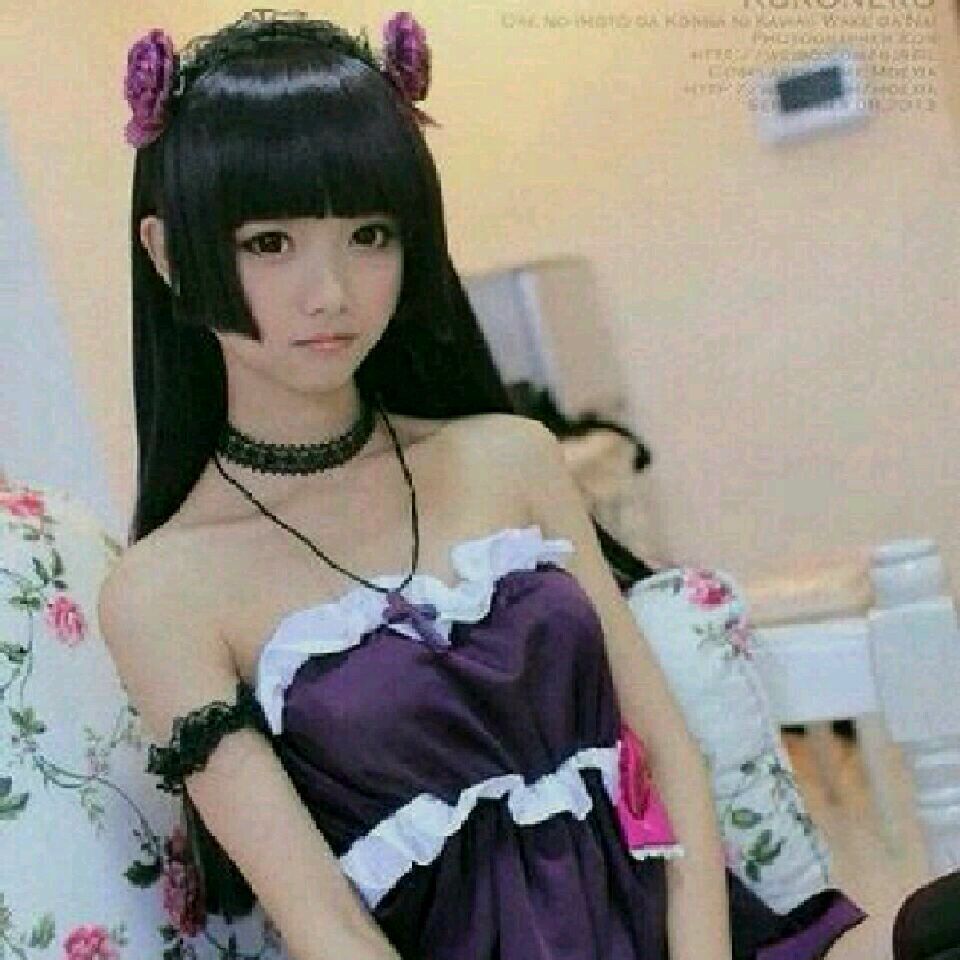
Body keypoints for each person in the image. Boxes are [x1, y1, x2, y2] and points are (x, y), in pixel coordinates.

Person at [97, 10, 865, 959]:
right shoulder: (164, 591)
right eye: (268, 243)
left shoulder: (510, 457)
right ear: (168, 254)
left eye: (369, 234)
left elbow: (666, 754)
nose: (331, 292)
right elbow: (325, 922)